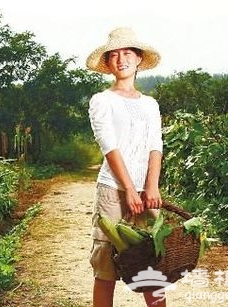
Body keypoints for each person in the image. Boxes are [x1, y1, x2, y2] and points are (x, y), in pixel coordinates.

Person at [86, 27, 165, 307]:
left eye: (128, 53)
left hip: (146, 193)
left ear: (139, 58)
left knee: (151, 268)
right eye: (115, 55)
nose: (121, 59)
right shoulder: (102, 101)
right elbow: (109, 147)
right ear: (108, 63)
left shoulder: (150, 104)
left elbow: (156, 146)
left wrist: (151, 186)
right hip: (113, 192)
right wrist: (129, 189)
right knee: (106, 267)